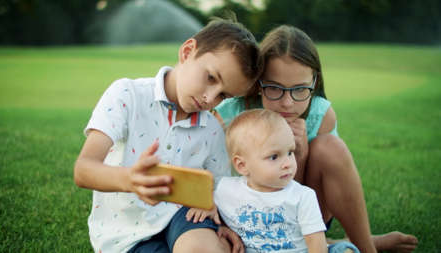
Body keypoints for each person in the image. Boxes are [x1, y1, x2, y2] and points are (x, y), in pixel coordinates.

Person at [214, 25, 418, 253]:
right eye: (274, 88)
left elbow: (297, 194)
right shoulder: (231, 114)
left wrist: (300, 153)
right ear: (258, 82)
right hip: (247, 217)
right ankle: (334, 244)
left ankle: (365, 245)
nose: (288, 103)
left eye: (300, 89)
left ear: (314, 82)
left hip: (307, 209)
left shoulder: (320, 114)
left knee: (330, 147)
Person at [73, 17, 263, 253]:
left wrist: (220, 219)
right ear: (187, 51)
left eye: (223, 95)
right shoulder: (127, 95)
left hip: (186, 216)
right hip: (127, 235)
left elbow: (216, 189)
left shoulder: (212, 129)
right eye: (211, 78)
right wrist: (129, 179)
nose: (210, 98)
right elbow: (83, 169)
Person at [214, 108, 360, 253]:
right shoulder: (225, 190)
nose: (287, 163)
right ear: (242, 165)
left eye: (290, 152)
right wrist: (220, 225)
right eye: (274, 157)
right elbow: (206, 206)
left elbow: (315, 243)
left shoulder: (302, 197)